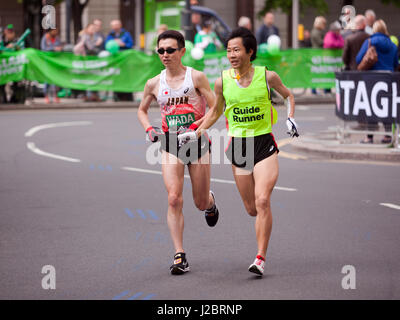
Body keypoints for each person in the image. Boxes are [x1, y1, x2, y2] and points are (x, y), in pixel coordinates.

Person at [180, 27, 299, 276]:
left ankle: (260, 258)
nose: (231, 54)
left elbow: (289, 95)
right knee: (252, 208)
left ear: (250, 51)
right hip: (238, 148)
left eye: (236, 50)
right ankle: (254, 226)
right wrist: (196, 131)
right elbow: (215, 112)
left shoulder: (267, 77)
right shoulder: (222, 81)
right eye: (228, 50)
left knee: (263, 200)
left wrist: (290, 118)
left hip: (264, 144)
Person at [137, 30, 220, 275]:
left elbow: (217, 108)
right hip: (171, 143)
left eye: (170, 50)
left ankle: (211, 203)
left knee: (199, 201)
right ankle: (179, 255)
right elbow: (141, 110)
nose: (165, 55)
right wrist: (149, 129)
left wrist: (195, 127)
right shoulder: (154, 83)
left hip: (197, 142)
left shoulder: (196, 78)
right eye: (160, 51)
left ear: (182, 51)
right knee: (174, 198)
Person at [356, 19, 399, 144]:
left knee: (371, 107)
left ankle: (369, 137)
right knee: (386, 107)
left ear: (374, 29)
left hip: (371, 80)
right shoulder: (392, 44)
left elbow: (359, 59)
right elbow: (396, 63)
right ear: (385, 29)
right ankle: (387, 136)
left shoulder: (369, 41)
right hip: (388, 80)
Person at [106, 20, 134, 101]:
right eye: (113, 25)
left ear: (120, 25)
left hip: (125, 60)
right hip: (115, 60)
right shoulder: (110, 35)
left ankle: (128, 96)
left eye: (117, 25)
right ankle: (117, 96)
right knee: (116, 76)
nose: (115, 27)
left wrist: (123, 44)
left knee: (126, 77)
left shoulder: (126, 34)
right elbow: (107, 45)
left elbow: (131, 44)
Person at [40, 29, 63, 104]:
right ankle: (46, 96)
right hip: (47, 61)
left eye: (56, 31)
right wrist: (53, 48)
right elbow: (43, 49)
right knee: (48, 78)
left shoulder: (57, 38)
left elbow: (60, 47)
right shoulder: (45, 38)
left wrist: (60, 49)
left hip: (55, 61)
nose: (55, 32)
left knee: (55, 78)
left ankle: (56, 95)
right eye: (54, 31)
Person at [311, 16, 327, 95]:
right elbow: (321, 42)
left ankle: (316, 89)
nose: (325, 25)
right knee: (317, 72)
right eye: (324, 23)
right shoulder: (316, 32)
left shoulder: (317, 31)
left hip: (318, 54)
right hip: (317, 54)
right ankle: (314, 89)